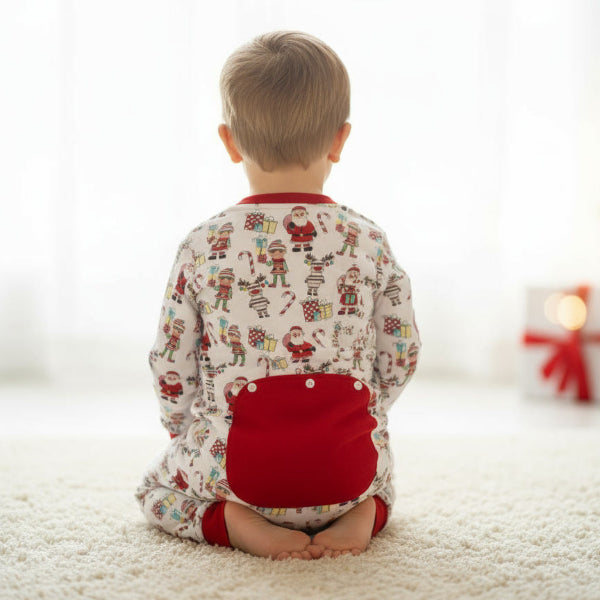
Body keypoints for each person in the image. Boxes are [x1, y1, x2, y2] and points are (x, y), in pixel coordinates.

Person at [136, 30, 421, 561]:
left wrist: (184, 431)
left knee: (153, 492)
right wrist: (368, 411)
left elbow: (171, 364)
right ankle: (363, 513)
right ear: (340, 139)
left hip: (240, 472)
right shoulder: (370, 241)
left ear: (229, 141)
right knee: (382, 480)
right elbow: (400, 353)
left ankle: (238, 523)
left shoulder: (203, 245)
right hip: (344, 469)